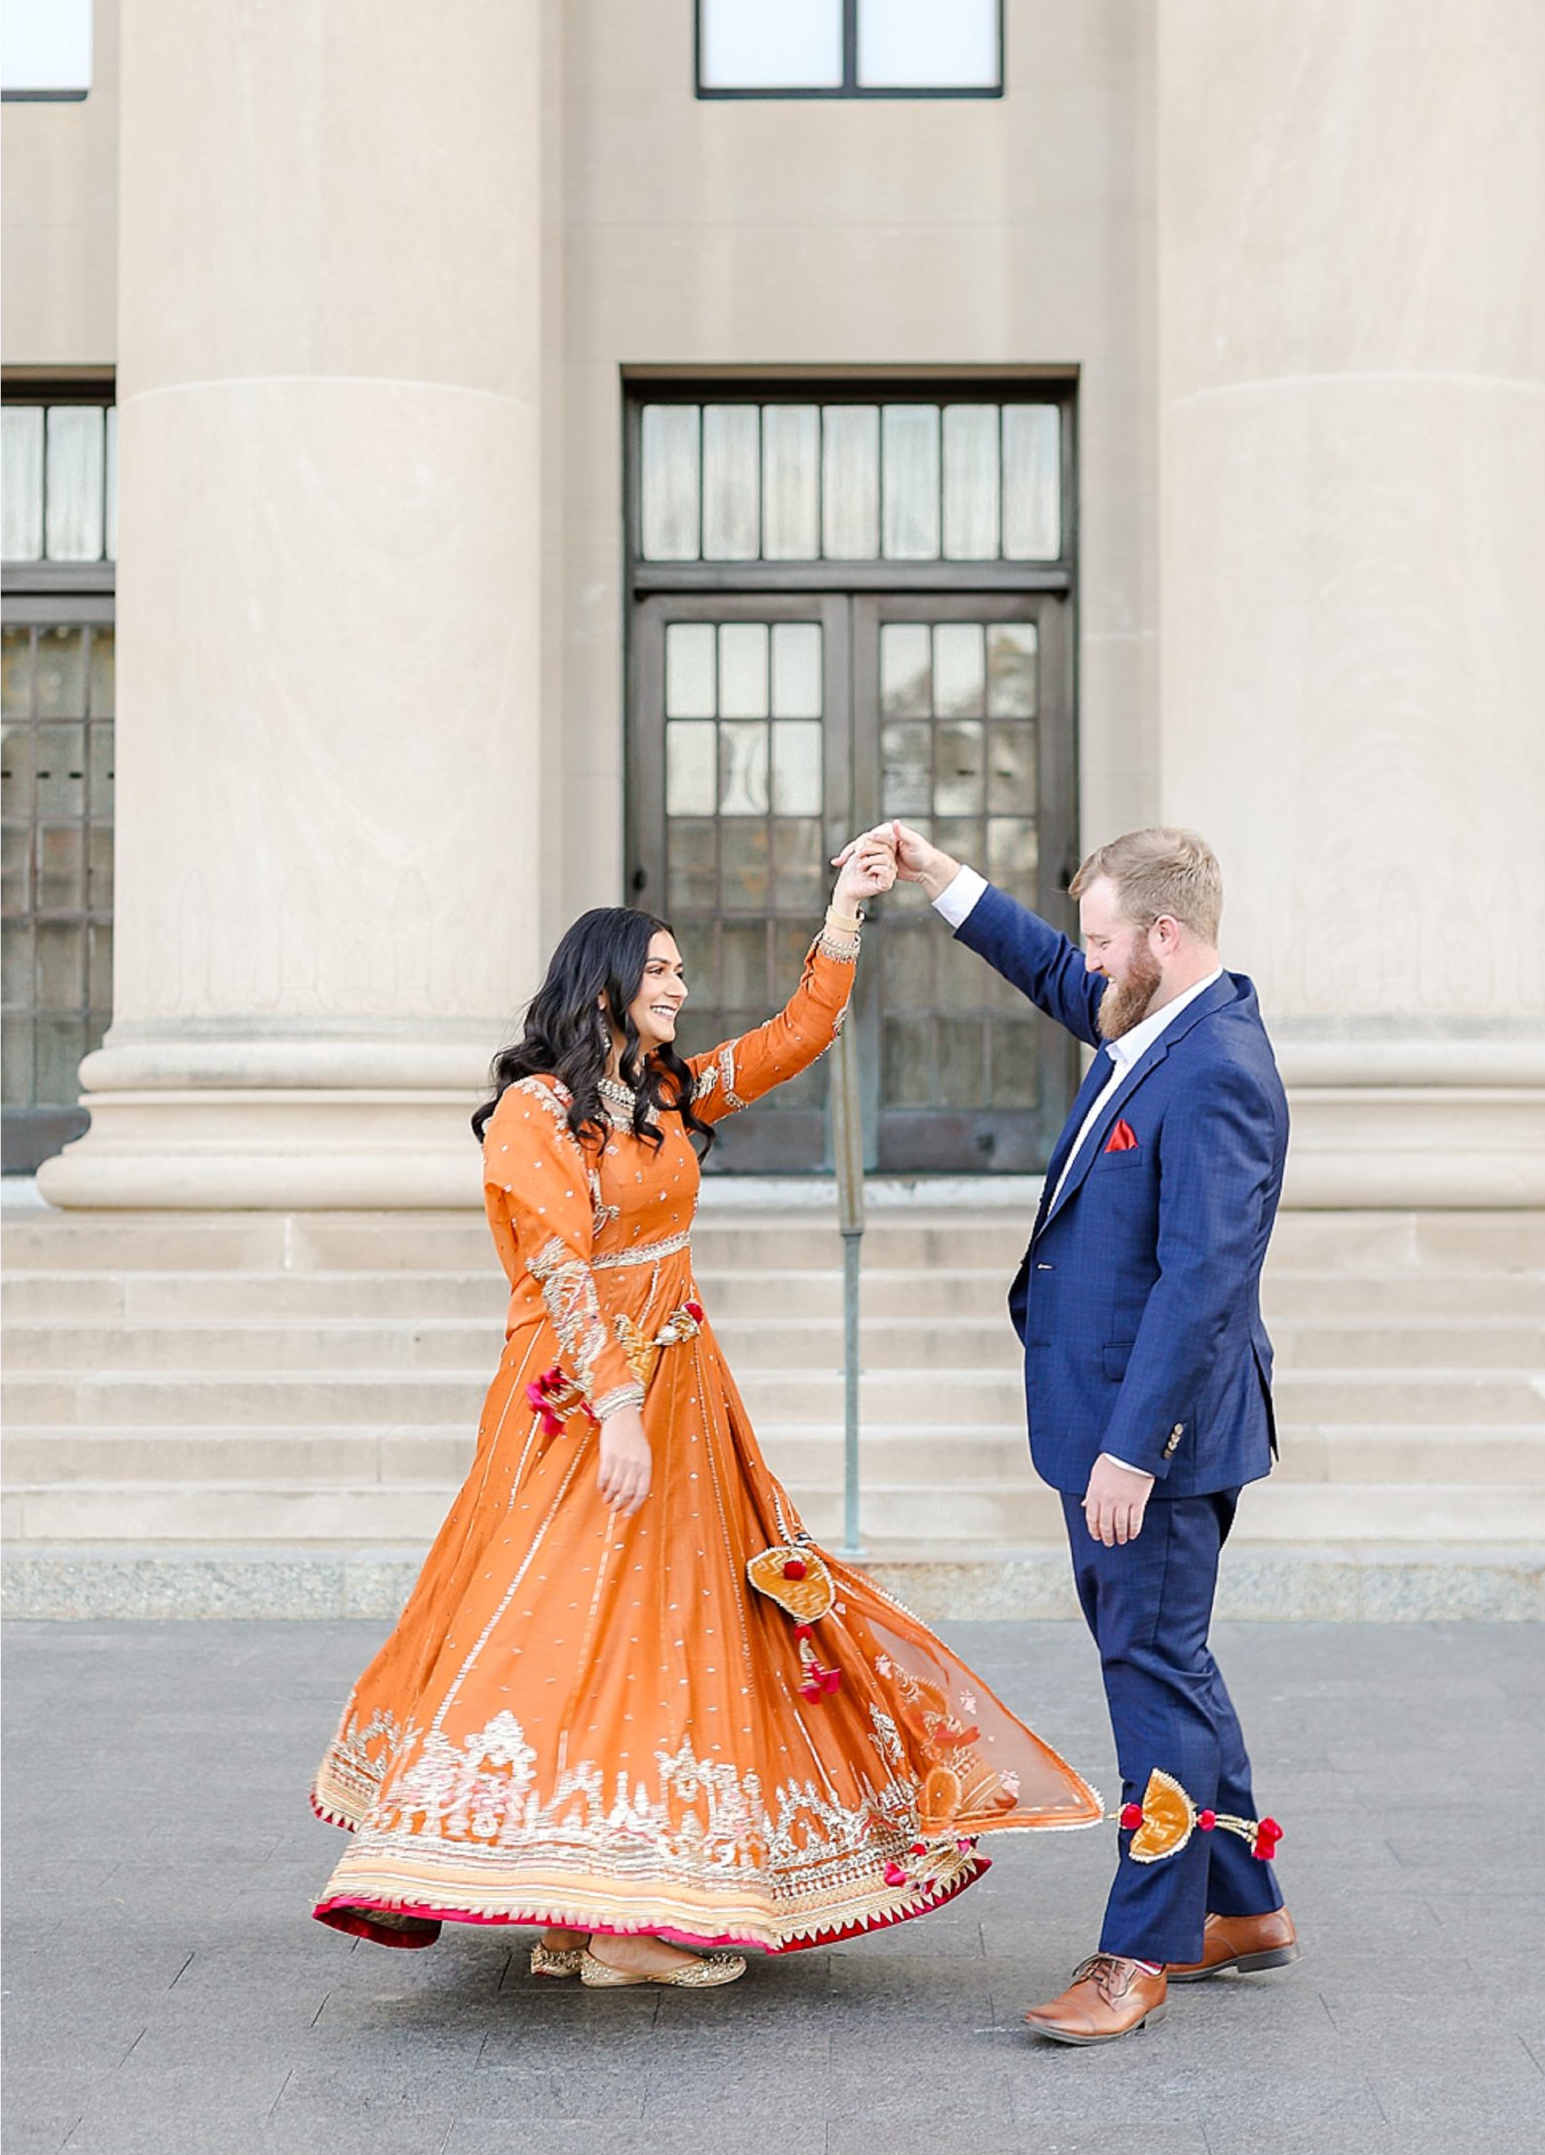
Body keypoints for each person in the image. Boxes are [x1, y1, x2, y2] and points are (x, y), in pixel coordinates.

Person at [311, 838, 1099, 1985]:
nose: (680, 986)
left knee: (653, 1634)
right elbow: (561, 1270)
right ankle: (611, 1917)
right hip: (577, 1403)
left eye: (681, 970)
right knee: (565, 1628)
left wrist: (845, 913)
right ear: (605, 985)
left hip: (682, 1391)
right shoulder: (538, 1111)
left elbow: (795, 1037)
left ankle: (597, 1905)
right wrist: (619, 1410)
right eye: (663, 970)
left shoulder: (669, 1094)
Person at [837, 818, 1296, 2044]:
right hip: (1106, 1413)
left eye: (1101, 939)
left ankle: (1141, 1949)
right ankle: (1241, 1904)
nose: (1083, 964)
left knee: (1149, 1676)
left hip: (1155, 1438)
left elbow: (1207, 1281)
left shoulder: (1220, 1070)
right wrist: (940, 879)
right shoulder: (1146, 1012)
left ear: (1163, 934)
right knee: (1172, 1660)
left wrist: (1133, 1449)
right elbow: (1052, 969)